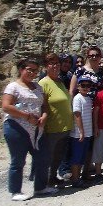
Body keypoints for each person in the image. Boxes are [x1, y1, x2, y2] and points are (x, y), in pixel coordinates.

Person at [1, 58, 54, 200]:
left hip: (37, 128)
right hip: (16, 127)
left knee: (43, 157)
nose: (32, 73)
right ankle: (15, 191)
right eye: (29, 69)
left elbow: (44, 105)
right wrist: (25, 116)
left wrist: (44, 116)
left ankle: (40, 187)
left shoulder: (37, 87)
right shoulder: (13, 87)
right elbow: (6, 106)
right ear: (21, 70)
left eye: (35, 70)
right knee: (18, 160)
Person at [38, 53, 73, 186]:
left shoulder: (60, 82)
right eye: (52, 64)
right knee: (48, 156)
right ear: (46, 66)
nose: (55, 66)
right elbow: (42, 105)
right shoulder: (43, 83)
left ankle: (52, 178)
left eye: (57, 64)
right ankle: (43, 183)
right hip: (51, 127)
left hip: (64, 126)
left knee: (58, 156)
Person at [68, 74, 95, 188]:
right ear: (78, 86)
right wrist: (81, 131)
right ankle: (75, 178)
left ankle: (78, 177)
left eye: (88, 85)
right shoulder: (77, 98)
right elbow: (77, 114)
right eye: (83, 85)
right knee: (77, 156)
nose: (85, 87)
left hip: (88, 132)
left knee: (82, 156)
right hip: (79, 133)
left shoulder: (88, 98)